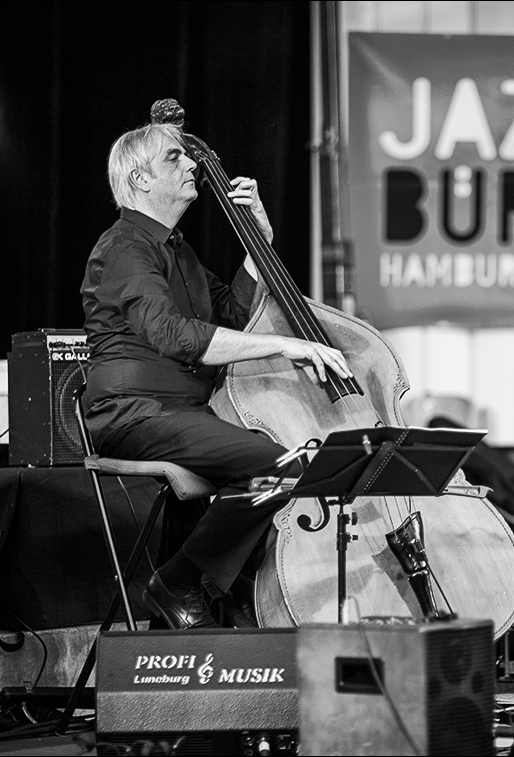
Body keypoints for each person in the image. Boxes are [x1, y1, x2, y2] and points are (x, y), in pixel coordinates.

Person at [80, 122, 350, 630]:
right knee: (281, 466)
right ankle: (179, 582)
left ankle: (224, 594)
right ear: (139, 179)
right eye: (175, 159)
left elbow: (230, 315)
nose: (192, 165)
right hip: (135, 413)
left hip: (185, 413)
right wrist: (287, 344)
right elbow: (173, 335)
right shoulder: (123, 247)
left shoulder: (177, 249)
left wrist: (259, 245)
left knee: (291, 463)